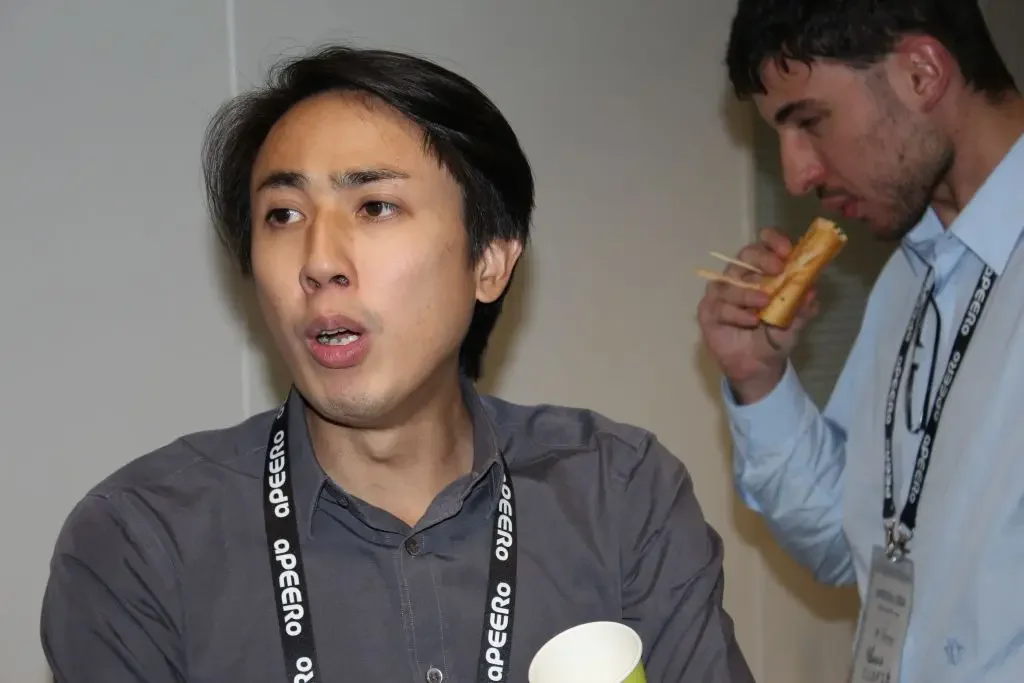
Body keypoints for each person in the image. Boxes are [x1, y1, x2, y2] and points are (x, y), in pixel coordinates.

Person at [40, 45, 754, 683]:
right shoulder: (141, 542)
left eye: (375, 206)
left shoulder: (618, 492)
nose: (319, 261)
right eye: (283, 214)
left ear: (489, 262)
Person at [700, 0, 1024, 681]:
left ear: (922, 73)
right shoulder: (910, 276)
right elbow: (845, 538)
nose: (796, 175)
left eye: (810, 121)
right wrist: (759, 380)